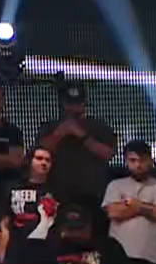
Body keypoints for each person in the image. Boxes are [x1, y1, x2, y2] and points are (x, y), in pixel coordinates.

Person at [33, 81, 117, 209]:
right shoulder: (51, 126)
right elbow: (39, 151)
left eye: (77, 103)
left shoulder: (99, 126)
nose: (73, 107)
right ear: (64, 103)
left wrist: (82, 135)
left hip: (92, 194)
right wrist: (59, 134)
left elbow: (108, 154)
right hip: (57, 193)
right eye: (70, 103)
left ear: (84, 104)